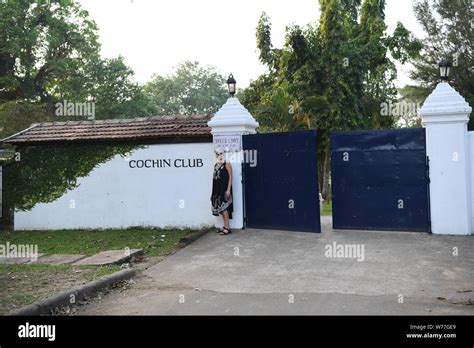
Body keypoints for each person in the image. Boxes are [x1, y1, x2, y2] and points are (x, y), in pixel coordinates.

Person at [211, 149, 233, 235]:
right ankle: (224, 226)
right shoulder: (216, 164)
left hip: (224, 189)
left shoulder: (227, 163)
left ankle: (227, 228)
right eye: (217, 153)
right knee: (220, 208)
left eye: (220, 153)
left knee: (224, 208)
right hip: (217, 189)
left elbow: (231, 177)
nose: (218, 155)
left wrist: (228, 189)